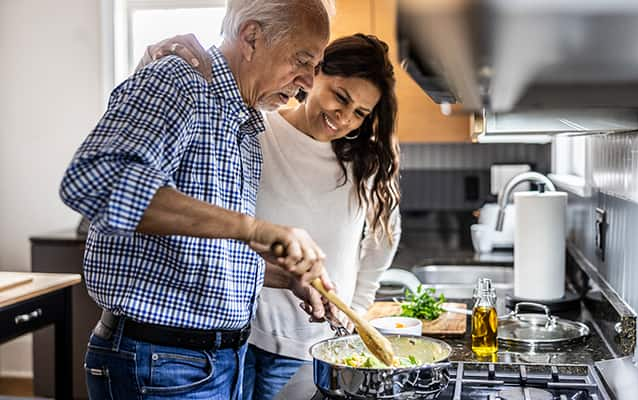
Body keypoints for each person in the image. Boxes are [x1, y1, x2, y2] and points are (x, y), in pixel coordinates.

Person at [58, 1, 335, 398]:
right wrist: (255, 229)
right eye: (302, 59)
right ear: (252, 38)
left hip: (218, 361)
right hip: (161, 364)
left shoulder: (243, 123)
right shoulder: (177, 81)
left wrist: (284, 277)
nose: (308, 83)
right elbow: (94, 181)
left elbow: (200, 250)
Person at [143, 33, 401, 399]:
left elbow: (384, 240)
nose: (344, 117)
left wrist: (357, 308)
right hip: (239, 337)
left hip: (317, 345)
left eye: (360, 113)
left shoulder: (367, 162)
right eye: (340, 96)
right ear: (315, 74)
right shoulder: (257, 129)